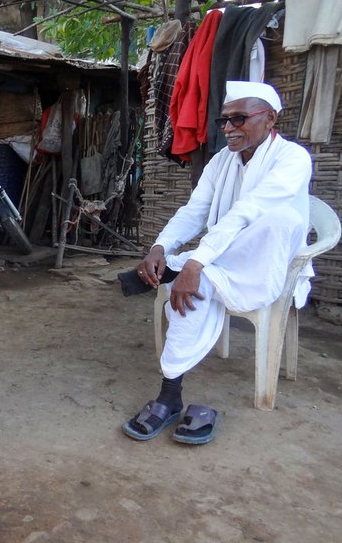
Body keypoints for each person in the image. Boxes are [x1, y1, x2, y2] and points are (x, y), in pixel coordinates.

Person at [119, 81, 312, 445]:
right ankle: (171, 393)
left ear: (269, 118)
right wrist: (160, 246)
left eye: (239, 119)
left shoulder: (293, 159)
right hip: (219, 258)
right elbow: (195, 211)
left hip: (266, 263)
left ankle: (186, 269)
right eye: (224, 121)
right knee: (198, 285)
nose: (228, 129)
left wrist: (196, 263)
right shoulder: (222, 160)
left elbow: (248, 212)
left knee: (276, 221)